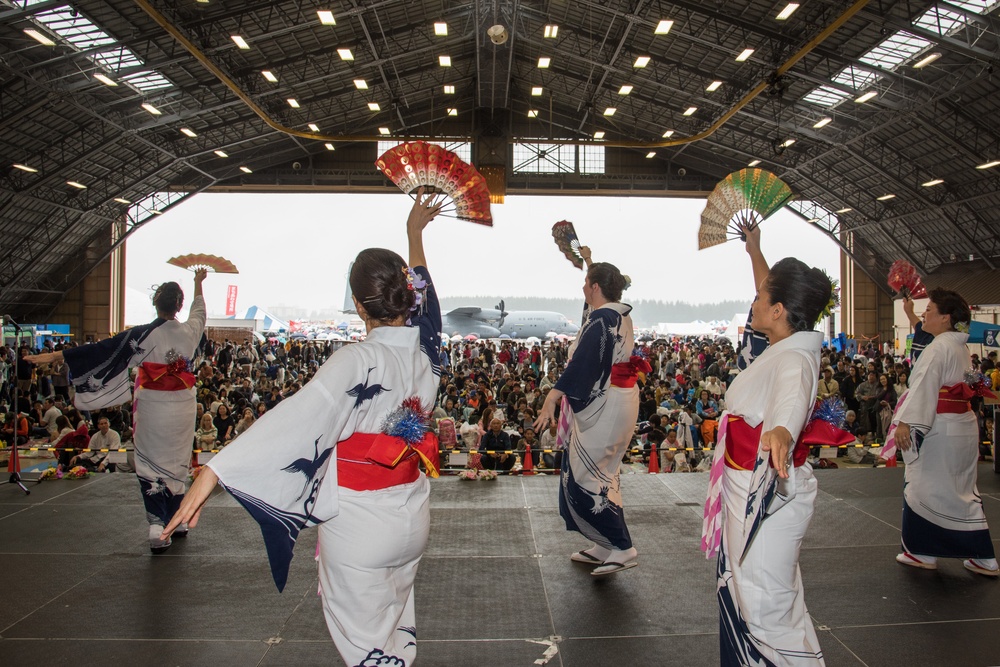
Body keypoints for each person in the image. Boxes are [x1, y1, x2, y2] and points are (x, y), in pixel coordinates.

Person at [161, 190, 445, 666]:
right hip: (412, 516)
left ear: (358, 305)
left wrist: (216, 469)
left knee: (368, 650)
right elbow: (429, 303)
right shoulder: (428, 354)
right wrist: (416, 235)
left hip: (359, 526)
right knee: (394, 634)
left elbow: (299, 417)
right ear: (409, 296)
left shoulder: (357, 360)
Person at [701, 254, 833, 666]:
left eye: (760, 297)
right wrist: (754, 248)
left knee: (766, 603)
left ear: (777, 311)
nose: (753, 302)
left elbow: (791, 400)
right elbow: (771, 290)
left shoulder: (793, 359)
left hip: (763, 492)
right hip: (748, 485)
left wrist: (782, 431)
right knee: (754, 595)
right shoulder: (781, 345)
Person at [28, 269, 207, 554]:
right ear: (179, 306)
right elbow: (200, 310)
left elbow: (101, 350)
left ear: (156, 303)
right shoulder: (191, 329)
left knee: (150, 461)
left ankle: (158, 526)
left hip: (153, 405)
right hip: (184, 404)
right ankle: (179, 518)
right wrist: (199, 283)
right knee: (178, 458)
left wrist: (53, 355)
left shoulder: (142, 334)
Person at [535, 247, 647, 576]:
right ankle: (603, 543)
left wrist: (553, 396)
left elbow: (585, 362)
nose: (584, 287)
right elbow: (592, 318)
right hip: (618, 399)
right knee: (603, 473)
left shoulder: (605, 317)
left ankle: (622, 547)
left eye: (587, 282)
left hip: (608, 404)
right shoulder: (617, 314)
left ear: (596, 287)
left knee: (587, 476)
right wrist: (589, 262)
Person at [885, 288, 998, 576]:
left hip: (940, 426)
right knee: (961, 491)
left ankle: (922, 551)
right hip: (962, 424)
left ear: (946, 318)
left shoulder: (939, 347)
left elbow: (923, 387)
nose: (925, 315)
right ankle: (981, 556)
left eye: (930, 310)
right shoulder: (959, 346)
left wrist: (908, 423)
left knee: (922, 487)